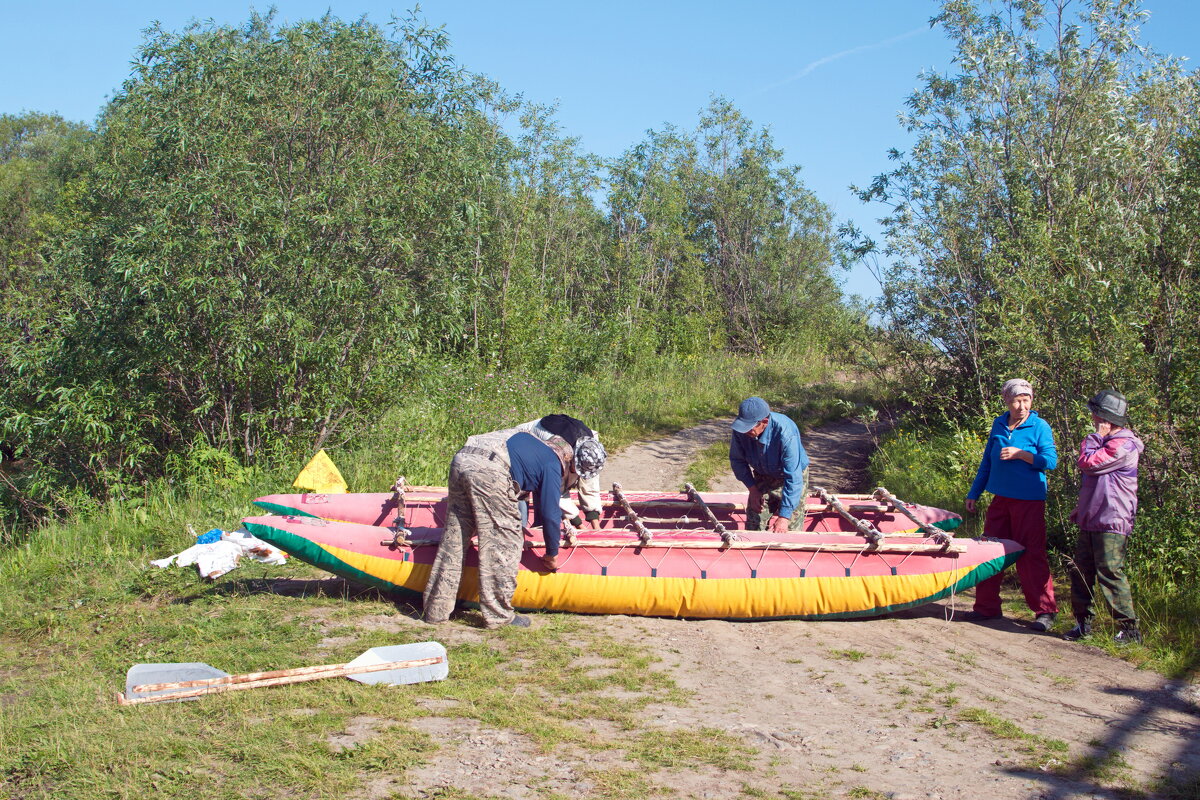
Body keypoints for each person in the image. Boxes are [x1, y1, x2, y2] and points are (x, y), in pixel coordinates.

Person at [422, 431, 568, 629]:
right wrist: (552, 553)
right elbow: (551, 513)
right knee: (503, 544)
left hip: (463, 458)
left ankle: (436, 610)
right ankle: (499, 616)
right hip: (491, 469)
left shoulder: (530, 442)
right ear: (565, 458)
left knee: (454, 538)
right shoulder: (552, 463)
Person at [963, 378, 1059, 631]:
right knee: (991, 552)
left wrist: (1021, 454)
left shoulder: (1039, 426)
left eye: (1026, 399)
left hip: (1029, 499)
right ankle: (986, 608)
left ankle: (1045, 612)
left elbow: (1050, 461)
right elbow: (987, 462)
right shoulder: (999, 424)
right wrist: (974, 492)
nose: (1022, 405)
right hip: (1000, 499)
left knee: (1031, 554)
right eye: (1017, 400)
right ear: (1006, 400)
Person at [1063, 390, 1144, 645]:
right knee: (1081, 571)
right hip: (1091, 518)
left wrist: (1096, 436)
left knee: (1110, 571)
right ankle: (1082, 624)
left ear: (1104, 416)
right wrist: (1083, 508)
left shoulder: (1124, 445)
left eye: (1095, 413)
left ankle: (1130, 630)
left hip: (1112, 520)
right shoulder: (1104, 442)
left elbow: (1089, 463)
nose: (1092, 417)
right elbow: (1095, 483)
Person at [465, 414, 607, 529]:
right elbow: (557, 492)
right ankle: (523, 532)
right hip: (518, 448)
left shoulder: (592, 451)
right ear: (573, 458)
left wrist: (595, 525)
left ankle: (541, 527)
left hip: (553, 451)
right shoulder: (558, 449)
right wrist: (578, 523)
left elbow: (590, 486)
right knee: (524, 498)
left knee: (548, 493)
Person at [729, 397, 810, 533]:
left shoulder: (785, 433)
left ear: (764, 422)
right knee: (754, 522)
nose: (745, 431)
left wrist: (784, 517)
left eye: (749, 428)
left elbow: (794, 478)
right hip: (762, 474)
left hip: (789, 477)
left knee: (788, 528)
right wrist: (753, 489)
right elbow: (737, 461)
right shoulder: (740, 430)